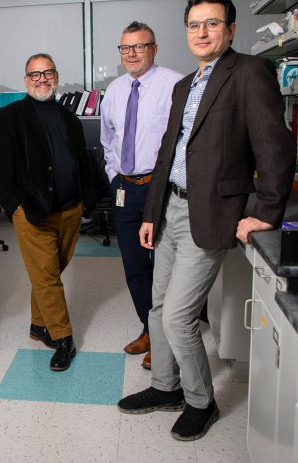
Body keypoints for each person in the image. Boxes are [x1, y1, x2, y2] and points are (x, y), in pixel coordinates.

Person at [118, 0, 295, 441]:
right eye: (194, 25)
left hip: (211, 214)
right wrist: (151, 213)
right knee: (158, 309)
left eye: (212, 23)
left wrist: (268, 212)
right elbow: (169, 154)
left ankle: (201, 401)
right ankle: (165, 386)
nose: (202, 32)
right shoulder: (185, 85)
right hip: (169, 209)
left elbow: (274, 146)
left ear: (230, 30)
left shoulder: (251, 72)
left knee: (179, 316)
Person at [0, 53, 95, 372]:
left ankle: (38, 325)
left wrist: (85, 198)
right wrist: (14, 207)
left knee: (48, 272)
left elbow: (79, 160)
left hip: (70, 209)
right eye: (35, 75)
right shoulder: (7, 117)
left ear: (56, 76)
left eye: (47, 73)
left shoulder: (70, 119)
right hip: (33, 212)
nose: (42, 80)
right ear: (26, 80)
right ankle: (63, 338)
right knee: (47, 276)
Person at [100, 21, 183, 370]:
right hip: (125, 189)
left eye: (139, 46)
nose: (131, 54)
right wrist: (114, 175)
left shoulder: (175, 84)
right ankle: (148, 330)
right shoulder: (115, 90)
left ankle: (165, 339)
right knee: (134, 265)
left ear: (154, 48)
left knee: (163, 267)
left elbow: (182, 142)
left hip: (159, 188)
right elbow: (108, 141)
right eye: (125, 48)